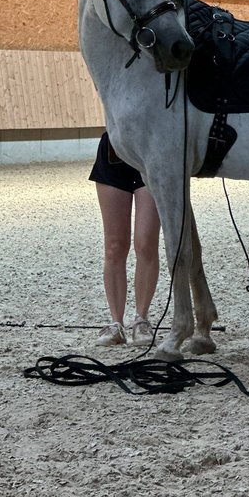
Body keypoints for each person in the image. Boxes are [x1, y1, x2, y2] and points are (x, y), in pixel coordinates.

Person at [88, 131, 161, 346]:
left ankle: (141, 319)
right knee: (114, 246)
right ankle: (116, 323)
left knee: (146, 243)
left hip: (149, 147)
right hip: (115, 149)